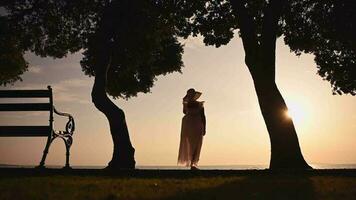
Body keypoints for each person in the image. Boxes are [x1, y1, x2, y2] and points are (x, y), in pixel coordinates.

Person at [178, 88, 206, 170]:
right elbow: (184, 112)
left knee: (197, 144)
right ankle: (191, 163)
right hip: (188, 125)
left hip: (197, 124)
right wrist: (184, 103)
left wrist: (204, 128)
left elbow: (203, 116)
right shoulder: (186, 104)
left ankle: (193, 163)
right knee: (190, 144)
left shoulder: (200, 104)